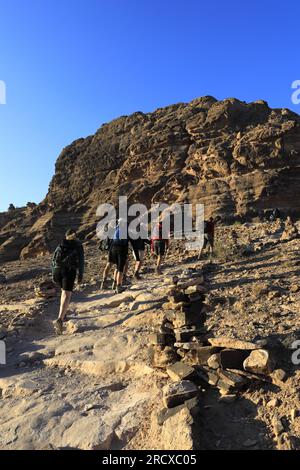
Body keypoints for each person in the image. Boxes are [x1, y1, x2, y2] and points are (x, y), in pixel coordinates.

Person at [52, 229, 84, 335]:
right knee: (67, 294)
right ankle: (59, 320)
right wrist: (80, 275)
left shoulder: (60, 244)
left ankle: (63, 314)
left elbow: (53, 260)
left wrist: (53, 274)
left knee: (63, 291)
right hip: (69, 271)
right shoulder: (78, 245)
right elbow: (81, 262)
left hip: (57, 271)